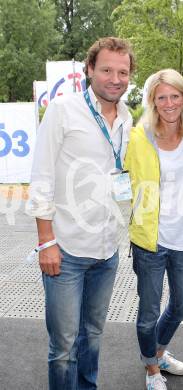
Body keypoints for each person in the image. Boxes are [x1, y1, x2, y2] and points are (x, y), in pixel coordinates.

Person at [26, 37, 134, 389]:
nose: (115, 79)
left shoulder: (127, 116)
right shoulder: (62, 110)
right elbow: (41, 177)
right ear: (90, 70)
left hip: (106, 250)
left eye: (122, 71)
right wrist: (46, 242)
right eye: (106, 70)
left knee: (93, 336)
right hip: (66, 249)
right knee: (64, 347)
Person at [124, 69, 183, 390]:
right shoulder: (138, 135)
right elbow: (113, 171)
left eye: (175, 95)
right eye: (161, 97)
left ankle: (158, 351)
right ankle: (152, 369)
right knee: (147, 312)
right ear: (152, 101)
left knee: (181, 305)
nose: (169, 103)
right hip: (149, 240)